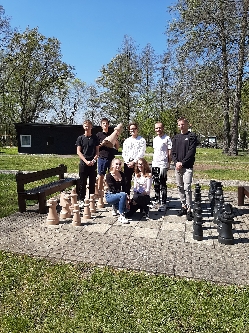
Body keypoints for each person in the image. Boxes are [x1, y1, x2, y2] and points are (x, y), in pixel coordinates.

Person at [171, 117, 197, 221]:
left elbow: (191, 152)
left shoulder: (192, 136)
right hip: (177, 167)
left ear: (187, 124)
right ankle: (183, 206)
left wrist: (183, 162)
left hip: (187, 167)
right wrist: (176, 162)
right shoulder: (176, 137)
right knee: (179, 186)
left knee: (187, 188)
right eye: (179, 125)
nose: (181, 126)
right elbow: (173, 152)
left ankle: (190, 209)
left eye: (183, 124)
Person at [76, 120, 99, 207]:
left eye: (89, 126)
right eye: (85, 126)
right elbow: (78, 151)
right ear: (83, 127)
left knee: (92, 182)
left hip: (93, 163)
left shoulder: (95, 138)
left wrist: (93, 160)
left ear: (91, 127)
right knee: (82, 182)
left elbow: (97, 152)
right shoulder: (80, 138)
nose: (87, 127)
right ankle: (81, 199)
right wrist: (86, 161)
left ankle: (91, 199)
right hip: (83, 163)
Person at [152, 122, 172, 212]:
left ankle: (164, 203)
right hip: (155, 164)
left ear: (163, 128)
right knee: (156, 184)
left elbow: (169, 152)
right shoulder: (155, 139)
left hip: (163, 164)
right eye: (156, 128)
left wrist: (168, 162)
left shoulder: (167, 138)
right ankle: (157, 201)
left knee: (162, 184)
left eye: (159, 128)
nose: (158, 130)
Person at [122, 122, 146, 196]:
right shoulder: (127, 141)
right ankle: (127, 196)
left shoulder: (142, 140)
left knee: (139, 180)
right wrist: (127, 162)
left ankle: (138, 197)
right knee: (126, 181)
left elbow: (141, 152)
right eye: (131, 129)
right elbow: (124, 152)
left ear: (137, 129)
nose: (132, 130)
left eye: (134, 129)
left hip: (137, 163)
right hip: (128, 163)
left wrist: (134, 162)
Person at [96, 118, 119, 195]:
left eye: (106, 123)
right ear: (101, 125)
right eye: (103, 123)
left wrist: (116, 140)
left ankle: (111, 191)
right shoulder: (98, 135)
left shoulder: (112, 134)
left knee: (111, 175)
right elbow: (96, 147)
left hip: (111, 158)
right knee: (101, 175)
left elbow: (117, 147)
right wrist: (102, 143)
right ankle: (100, 192)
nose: (105, 125)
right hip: (102, 157)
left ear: (108, 125)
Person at [105, 158, 129, 224]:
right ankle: (121, 216)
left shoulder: (122, 174)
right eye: (116, 164)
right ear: (112, 165)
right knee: (123, 195)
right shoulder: (108, 176)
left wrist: (127, 198)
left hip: (118, 194)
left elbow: (125, 187)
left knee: (128, 210)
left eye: (119, 164)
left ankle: (115, 206)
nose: (118, 166)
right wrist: (124, 195)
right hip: (110, 195)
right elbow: (113, 190)